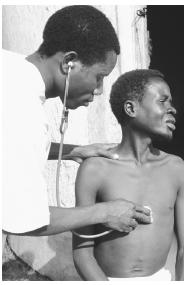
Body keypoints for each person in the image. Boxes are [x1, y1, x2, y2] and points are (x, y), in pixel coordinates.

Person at [2, 6, 151, 240]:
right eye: (99, 77)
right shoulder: (24, 112)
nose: (100, 90)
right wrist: (104, 211)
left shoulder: (9, 68)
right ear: (69, 62)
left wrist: (74, 151)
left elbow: (11, 147)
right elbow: (26, 220)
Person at [72, 69, 184, 281]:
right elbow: (83, 254)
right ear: (131, 108)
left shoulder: (177, 169)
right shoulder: (95, 170)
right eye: (163, 101)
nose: (172, 109)